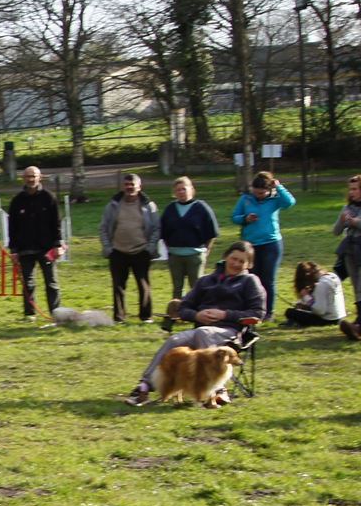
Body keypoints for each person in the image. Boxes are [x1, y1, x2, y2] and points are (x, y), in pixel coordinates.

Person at [125, 241, 265, 407]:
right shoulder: (206, 280)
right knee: (175, 341)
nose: (236, 264)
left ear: (249, 264)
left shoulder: (250, 282)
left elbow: (258, 313)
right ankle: (144, 386)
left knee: (203, 333)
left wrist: (226, 314)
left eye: (242, 261)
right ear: (225, 257)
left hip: (231, 332)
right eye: (233, 258)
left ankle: (218, 390)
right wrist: (197, 315)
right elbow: (183, 308)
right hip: (201, 328)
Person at [231, 171, 295, 316]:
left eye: (261, 193)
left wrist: (279, 187)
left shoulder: (275, 200)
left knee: (268, 279)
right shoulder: (245, 199)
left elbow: (290, 203)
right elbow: (234, 217)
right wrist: (245, 218)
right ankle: (253, 310)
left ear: (269, 190)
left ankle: (268, 312)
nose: (258, 195)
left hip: (271, 244)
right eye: (256, 192)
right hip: (251, 245)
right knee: (252, 279)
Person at [99, 173, 159, 322]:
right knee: (118, 286)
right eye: (126, 185)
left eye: (132, 185)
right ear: (122, 187)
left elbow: (157, 228)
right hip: (118, 251)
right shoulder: (113, 205)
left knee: (144, 285)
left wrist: (150, 248)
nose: (129, 187)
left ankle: (146, 316)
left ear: (139, 186)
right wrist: (108, 248)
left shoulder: (149, 206)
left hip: (141, 251)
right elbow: (104, 228)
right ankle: (119, 317)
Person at [6, 166, 62, 318]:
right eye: (27, 176)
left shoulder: (49, 197)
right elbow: (12, 227)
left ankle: (56, 314)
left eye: (33, 176)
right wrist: (14, 249)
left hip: (47, 248)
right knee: (28, 284)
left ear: (40, 177)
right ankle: (30, 314)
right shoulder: (17, 201)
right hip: (25, 249)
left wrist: (58, 244)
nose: (30, 179)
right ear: (23, 178)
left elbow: (56, 223)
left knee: (52, 283)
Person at [159, 176, 219, 302]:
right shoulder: (170, 209)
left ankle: (197, 313)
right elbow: (163, 232)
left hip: (195, 255)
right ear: (174, 192)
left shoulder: (201, 208)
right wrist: (169, 250)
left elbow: (212, 232)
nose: (181, 192)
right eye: (178, 190)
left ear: (191, 189)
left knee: (196, 287)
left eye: (184, 189)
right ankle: (177, 313)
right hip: (175, 256)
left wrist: (205, 251)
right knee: (177, 288)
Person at [333, 174, 361, 339]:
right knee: (357, 288)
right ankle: (358, 325)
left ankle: (358, 325)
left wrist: (358, 223)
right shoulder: (346, 208)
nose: (352, 192)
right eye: (350, 189)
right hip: (350, 251)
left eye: (355, 189)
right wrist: (342, 221)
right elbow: (336, 231)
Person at [284, 260, 345, 327]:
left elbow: (320, 311)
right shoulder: (333, 276)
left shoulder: (321, 285)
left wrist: (306, 298)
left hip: (328, 320)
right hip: (339, 317)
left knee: (289, 312)